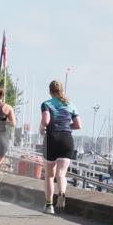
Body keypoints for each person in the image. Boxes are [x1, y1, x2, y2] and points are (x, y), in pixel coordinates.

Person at [40, 80, 80, 214]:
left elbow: (46, 121)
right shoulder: (70, 104)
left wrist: (41, 128)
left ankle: (49, 205)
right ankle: (62, 192)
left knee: (50, 176)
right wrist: (66, 126)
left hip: (52, 139)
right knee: (61, 174)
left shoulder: (47, 104)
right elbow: (78, 125)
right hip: (66, 140)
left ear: (50, 91)